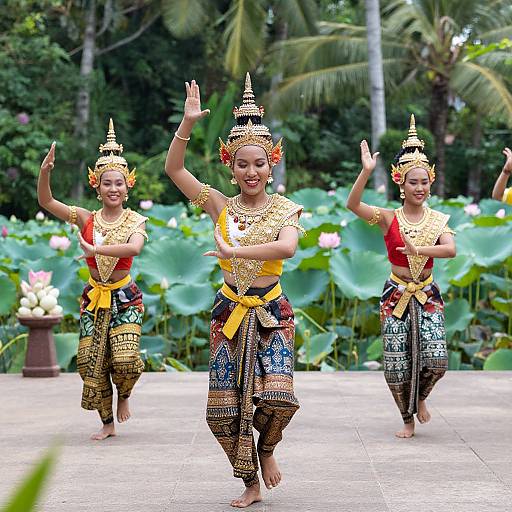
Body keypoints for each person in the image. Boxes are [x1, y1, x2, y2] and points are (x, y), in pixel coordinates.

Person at [164, 74, 304, 508]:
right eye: (242, 164)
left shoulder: (287, 208)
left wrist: (235, 247)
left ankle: (267, 449)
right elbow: (174, 170)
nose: (251, 172)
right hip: (229, 313)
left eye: (259, 163)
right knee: (224, 409)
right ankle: (249, 482)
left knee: (278, 396)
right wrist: (187, 125)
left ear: (272, 163)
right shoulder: (218, 204)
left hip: (272, 311)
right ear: (230, 164)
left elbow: (287, 247)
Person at [346, 115, 456, 438]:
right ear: (400, 182)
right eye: (413, 182)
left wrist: (418, 248)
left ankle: (421, 396)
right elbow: (352, 204)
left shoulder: (437, 220)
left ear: (430, 182)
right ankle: (406, 419)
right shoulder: (387, 217)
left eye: (424, 182)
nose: (419, 188)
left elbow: (450, 250)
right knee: (396, 362)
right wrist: (365, 172)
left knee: (437, 358)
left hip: (426, 292)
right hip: (395, 293)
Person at [37, 119, 148, 440]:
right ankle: (107, 423)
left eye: (119, 183)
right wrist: (45, 173)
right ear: (96, 187)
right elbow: (47, 202)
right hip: (94, 297)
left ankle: (125, 393)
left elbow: (135, 247)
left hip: (125, 297)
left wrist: (95, 247)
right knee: (89, 363)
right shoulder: (86, 217)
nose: (113, 189)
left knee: (126, 361)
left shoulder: (135, 219)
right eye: (106, 183)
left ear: (128, 186)